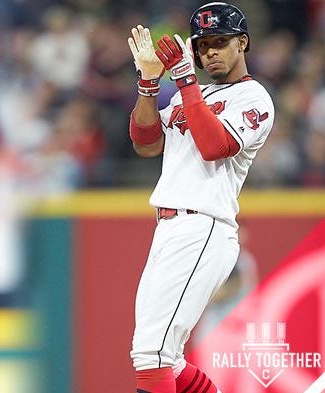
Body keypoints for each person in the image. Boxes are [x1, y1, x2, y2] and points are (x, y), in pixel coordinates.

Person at [126, 3, 273, 392]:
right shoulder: (186, 96)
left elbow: (215, 145)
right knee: (165, 358)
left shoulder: (254, 97)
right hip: (171, 226)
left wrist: (186, 80)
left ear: (242, 43)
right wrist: (148, 81)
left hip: (204, 225)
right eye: (203, 44)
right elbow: (145, 143)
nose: (210, 51)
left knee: (151, 355)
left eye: (220, 42)